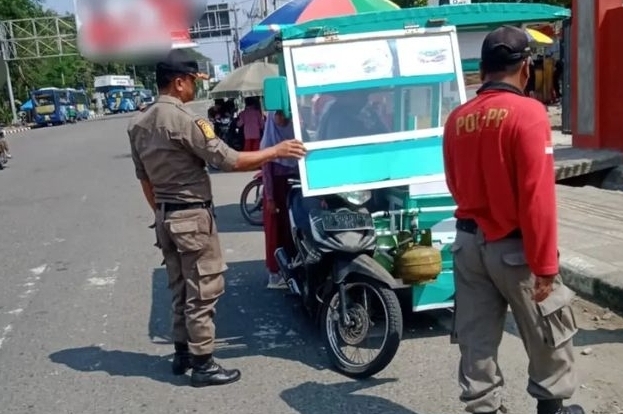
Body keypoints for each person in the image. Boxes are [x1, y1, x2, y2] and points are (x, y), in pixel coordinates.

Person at [127, 48, 306, 388]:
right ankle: (203, 364)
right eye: (193, 82)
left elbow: (145, 181)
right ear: (178, 83)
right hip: (192, 217)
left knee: (179, 288)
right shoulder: (186, 120)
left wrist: (164, 213)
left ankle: (182, 354)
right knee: (203, 290)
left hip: (165, 216)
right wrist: (277, 151)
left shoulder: (138, 123)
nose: (195, 88)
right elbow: (229, 160)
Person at [442, 26, 584, 414]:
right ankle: (551, 408)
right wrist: (545, 268)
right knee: (548, 332)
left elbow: (455, 184)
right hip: (516, 250)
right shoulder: (528, 113)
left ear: (484, 69)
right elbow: (537, 197)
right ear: (524, 69)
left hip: (468, 246)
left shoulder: (456, 119)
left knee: (475, 339)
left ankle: (483, 407)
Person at [260, 111, 299, 288]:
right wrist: (269, 198)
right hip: (276, 189)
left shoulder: (296, 135)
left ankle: (294, 269)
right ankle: (275, 274)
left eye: (286, 115)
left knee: (295, 230)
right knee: (277, 231)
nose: (283, 119)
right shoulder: (270, 142)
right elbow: (266, 171)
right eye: (279, 115)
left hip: (295, 188)